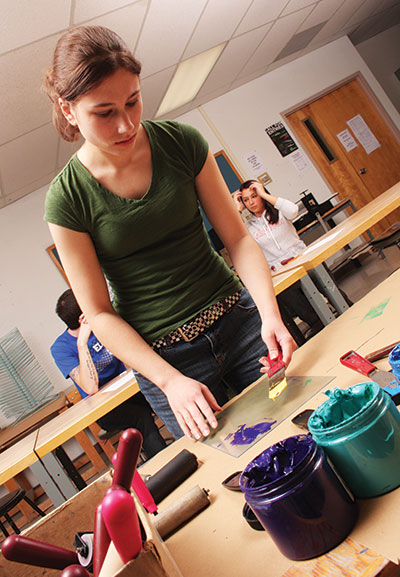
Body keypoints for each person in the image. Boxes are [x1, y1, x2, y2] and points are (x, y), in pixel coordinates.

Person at [43, 25, 296, 441]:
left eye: (133, 101)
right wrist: (169, 381)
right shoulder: (66, 199)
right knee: (230, 470)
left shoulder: (181, 142)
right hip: (167, 362)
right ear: (68, 110)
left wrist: (270, 315)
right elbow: (100, 314)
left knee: (295, 427)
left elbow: (238, 240)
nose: (125, 125)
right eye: (104, 113)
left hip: (242, 323)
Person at [51, 289, 166, 458]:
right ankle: (164, 464)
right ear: (83, 318)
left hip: (132, 390)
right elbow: (90, 387)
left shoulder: (104, 322)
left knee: (163, 393)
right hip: (107, 409)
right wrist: (82, 342)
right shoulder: (60, 348)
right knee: (140, 417)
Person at [234, 180, 324, 340]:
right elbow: (235, 235)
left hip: (303, 259)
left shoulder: (279, 212)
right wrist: (237, 209)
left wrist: (264, 194)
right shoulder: (248, 227)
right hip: (281, 272)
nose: (251, 202)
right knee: (304, 310)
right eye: (246, 200)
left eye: (254, 196)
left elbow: (294, 210)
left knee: (328, 288)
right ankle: (320, 326)